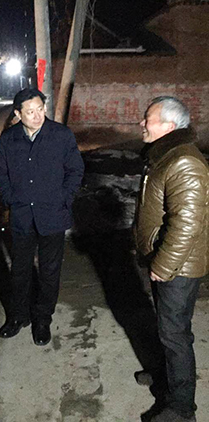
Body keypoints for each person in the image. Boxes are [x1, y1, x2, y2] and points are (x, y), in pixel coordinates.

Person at [135, 96, 209, 422]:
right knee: (166, 328)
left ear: (168, 126)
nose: (142, 123)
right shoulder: (166, 155)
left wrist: (163, 266)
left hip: (178, 268)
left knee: (175, 335)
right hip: (164, 260)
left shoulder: (185, 162)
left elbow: (187, 224)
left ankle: (182, 409)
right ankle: (164, 376)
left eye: (147, 118)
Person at [0, 88, 84, 346]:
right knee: (19, 270)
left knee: (49, 272)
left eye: (40, 109)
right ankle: (17, 316)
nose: (37, 116)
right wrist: (10, 198)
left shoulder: (61, 135)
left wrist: (64, 198)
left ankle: (43, 319)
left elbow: (75, 170)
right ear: (18, 114)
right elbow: (1, 171)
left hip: (52, 216)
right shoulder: (9, 139)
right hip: (22, 216)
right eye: (30, 112)